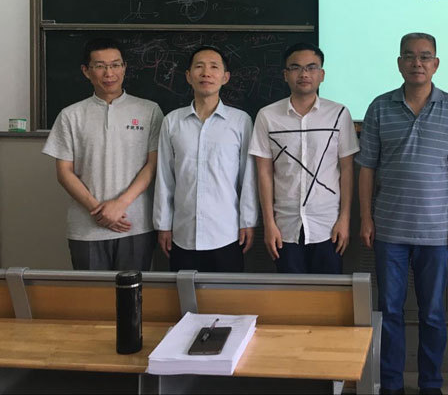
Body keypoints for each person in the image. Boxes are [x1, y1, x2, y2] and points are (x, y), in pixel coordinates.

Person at [357, 32, 448, 395]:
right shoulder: (380, 107)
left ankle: (431, 385)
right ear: (399, 63)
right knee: (389, 311)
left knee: (434, 313)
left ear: (436, 64)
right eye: (409, 56)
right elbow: (367, 168)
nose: (417, 63)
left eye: (425, 57)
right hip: (389, 230)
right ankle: (391, 384)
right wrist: (366, 218)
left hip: (436, 231)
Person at [42, 37, 163, 271]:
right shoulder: (70, 115)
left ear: (124, 68)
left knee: (133, 292)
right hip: (86, 227)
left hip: (135, 225)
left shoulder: (149, 110)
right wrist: (97, 210)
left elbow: (152, 165)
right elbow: (64, 172)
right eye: (100, 66)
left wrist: (120, 204)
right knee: (91, 293)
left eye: (115, 65)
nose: (109, 73)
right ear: (86, 71)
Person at [249, 42, 358, 274]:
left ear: (322, 74)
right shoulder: (267, 116)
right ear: (285, 74)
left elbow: (347, 169)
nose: (304, 74)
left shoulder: (339, 113)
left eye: (311, 67)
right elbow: (264, 172)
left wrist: (345, 219)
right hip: (285, 226)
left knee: (329, 292)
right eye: (296, 67)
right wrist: (269, 223)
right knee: (290, 293)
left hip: (328, 225)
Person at [153, 45, 258, 272]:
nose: (206, 73)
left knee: (225, 293)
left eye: (214, 67)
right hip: (182, 234)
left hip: (226, 233)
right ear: (188, 76)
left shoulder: (240, 121)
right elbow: (164, 178)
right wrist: (163, 225)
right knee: (183, 293)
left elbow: (248, 179)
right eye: (199, 67)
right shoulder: (172, 121)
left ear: (225, 77)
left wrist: (248, 222)